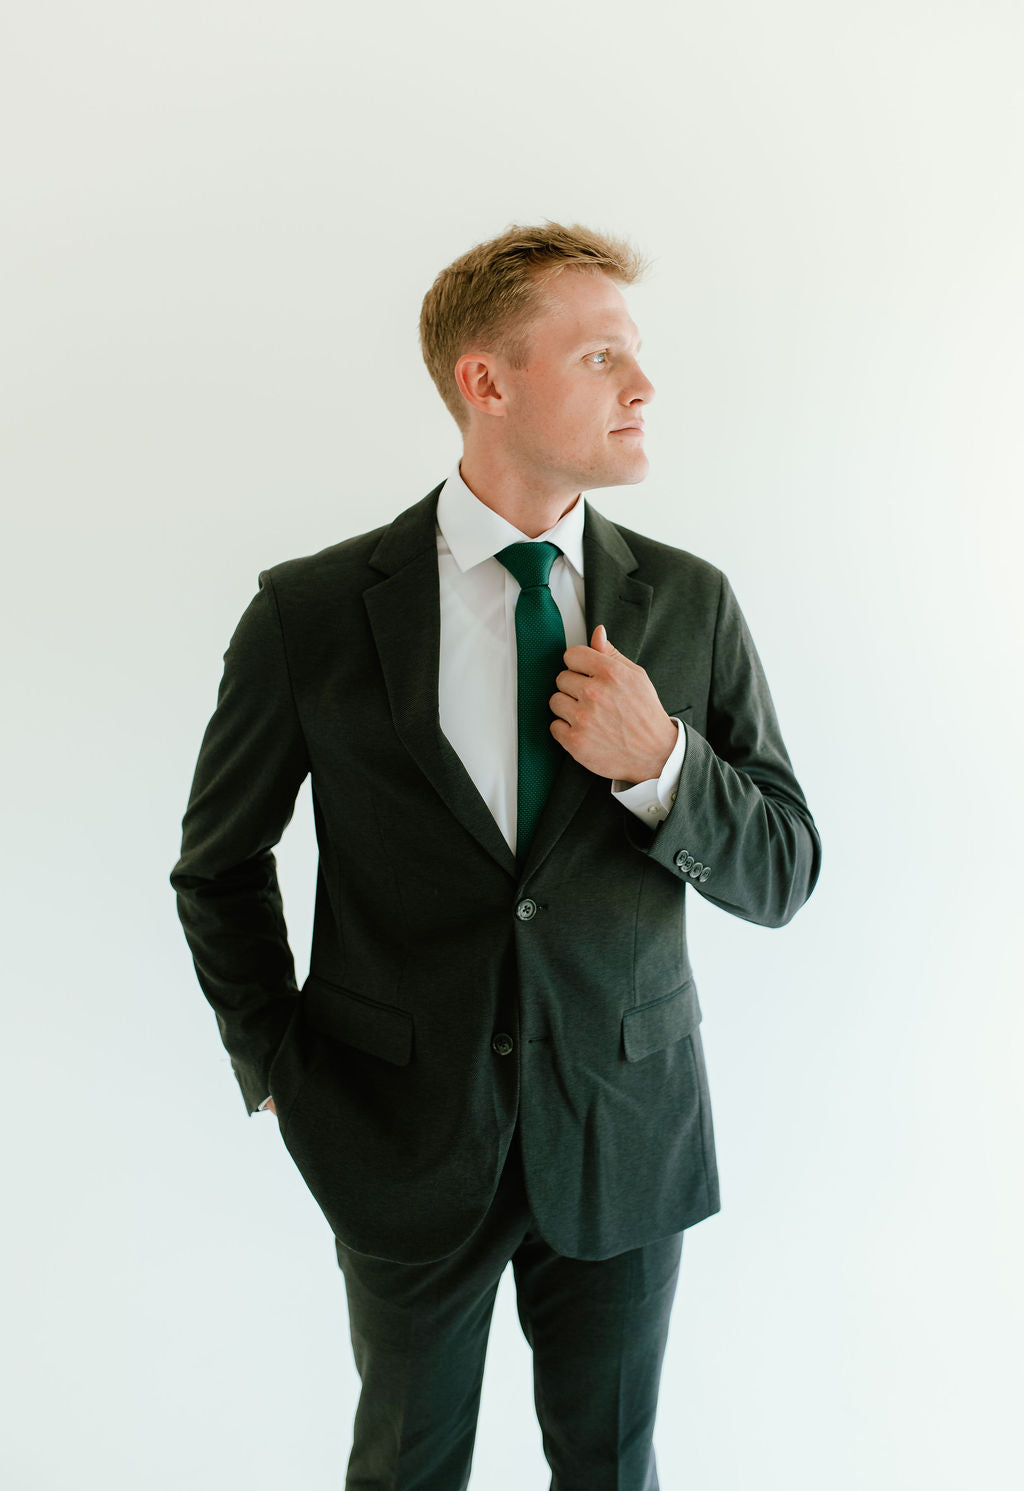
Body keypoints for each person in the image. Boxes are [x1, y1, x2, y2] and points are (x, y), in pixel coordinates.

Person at [170, 221, 821, 1490]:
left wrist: (663, 765)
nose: (642, 385)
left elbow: (784, 868)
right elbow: (218, 866)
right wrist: (280, 1070)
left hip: (625, 1133)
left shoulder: (689, 603)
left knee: (611, 1469)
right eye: (599, 356)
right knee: (403, 1471)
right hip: (398, 1142)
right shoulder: (312, 613)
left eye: (635, 354)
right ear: (487, 381)